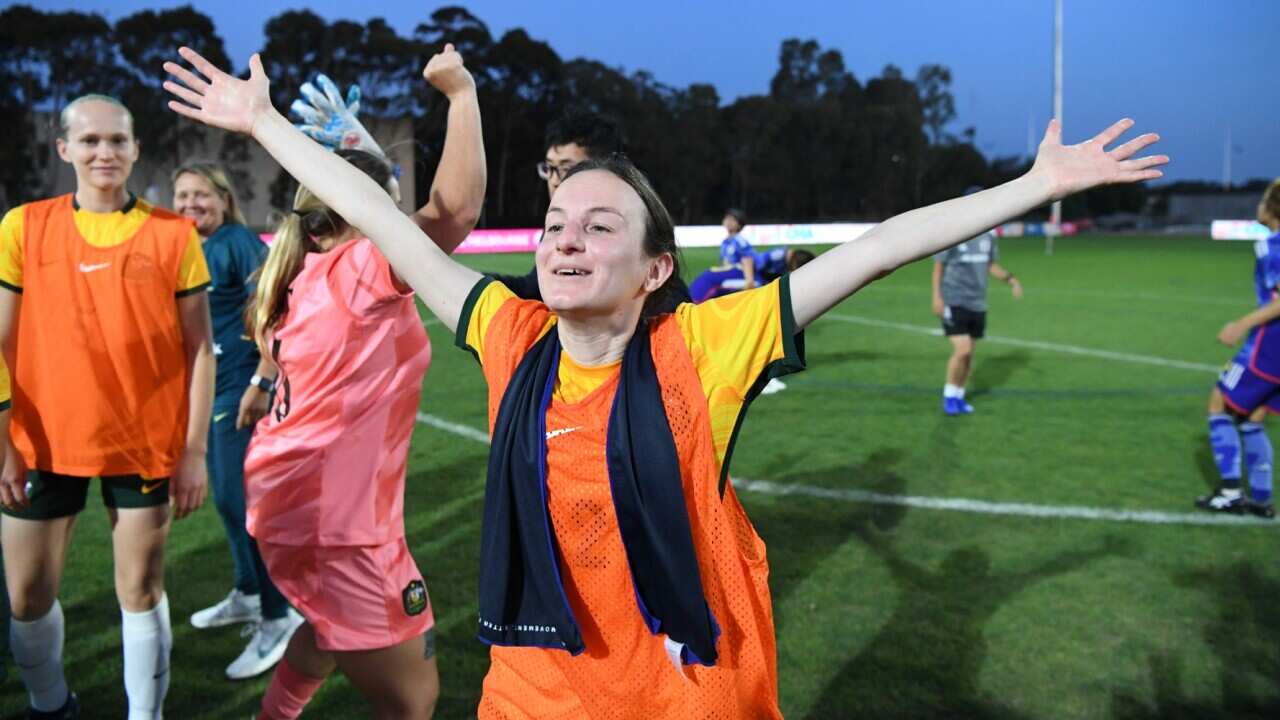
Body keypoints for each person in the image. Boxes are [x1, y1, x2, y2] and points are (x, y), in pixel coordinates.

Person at [163, 44, 1165, 717]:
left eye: (601, 225)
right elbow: (380, 217)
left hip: (686, 679)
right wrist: (261, 126)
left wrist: (1033, 187)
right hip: (535, 677)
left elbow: (878, 249)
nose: (564, 235)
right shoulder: (510, 334)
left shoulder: (703, 347)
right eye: (557, 224)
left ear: (652, 271)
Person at [181, 45, 482, 720]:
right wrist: (461, 96)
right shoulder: (359, 275)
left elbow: (378, 221)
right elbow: (454, 213)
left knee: (324, 635)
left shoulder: (303, 268)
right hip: (339, 525)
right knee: (413, 701)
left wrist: (367, 164)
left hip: (299, 506)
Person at [0, 94, 215, 719]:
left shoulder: (173, 233)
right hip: (39, 441)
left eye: (117, 140)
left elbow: (201, 348)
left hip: (144, 442)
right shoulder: (23, 226)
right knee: (25, 597)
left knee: (141, 592)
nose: (104, 152)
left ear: (135, 149)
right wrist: (5, 445)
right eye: (89, 141)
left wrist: (194, 450)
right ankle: (50, 704)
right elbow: (2, 343)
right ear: (64, 149)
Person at [171, 162, 305, 678]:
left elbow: (276, 307)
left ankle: (279, 614)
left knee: (236, 497)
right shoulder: (186, 247)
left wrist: (263, 380)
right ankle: (249, 593)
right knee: (227, 501)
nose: (190, 204)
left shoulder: (237, 243)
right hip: (204, 386)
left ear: (224, 199)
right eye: (182, 195)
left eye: (201, 194)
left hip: (238, 385)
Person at [1196, 178, 1280, 518]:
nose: (1257, 206)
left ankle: (1231, 492)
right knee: (1253, 418)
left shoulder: (1273, 247)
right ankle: (1261, 500)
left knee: (1219, 402)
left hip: (1270, 345)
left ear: (1273, 208)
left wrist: (1240, 324)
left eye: (1262, 201)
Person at [931, 214, 1023, 415]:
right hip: (954, 300)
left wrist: (1011, 279)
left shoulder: (988, 237)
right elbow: (938, 267)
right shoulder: (953, 235)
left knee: (969, 355)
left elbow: (991, 265)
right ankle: (949, 396)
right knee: (962, 350)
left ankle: (959, 396)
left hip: (978, 304)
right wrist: (937, 297)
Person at [689, 245, 815, 303]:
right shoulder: (778, 256)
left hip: (708, 283)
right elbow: (748, 260)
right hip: (703, 289)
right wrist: (750, 282)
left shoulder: (780, 261)